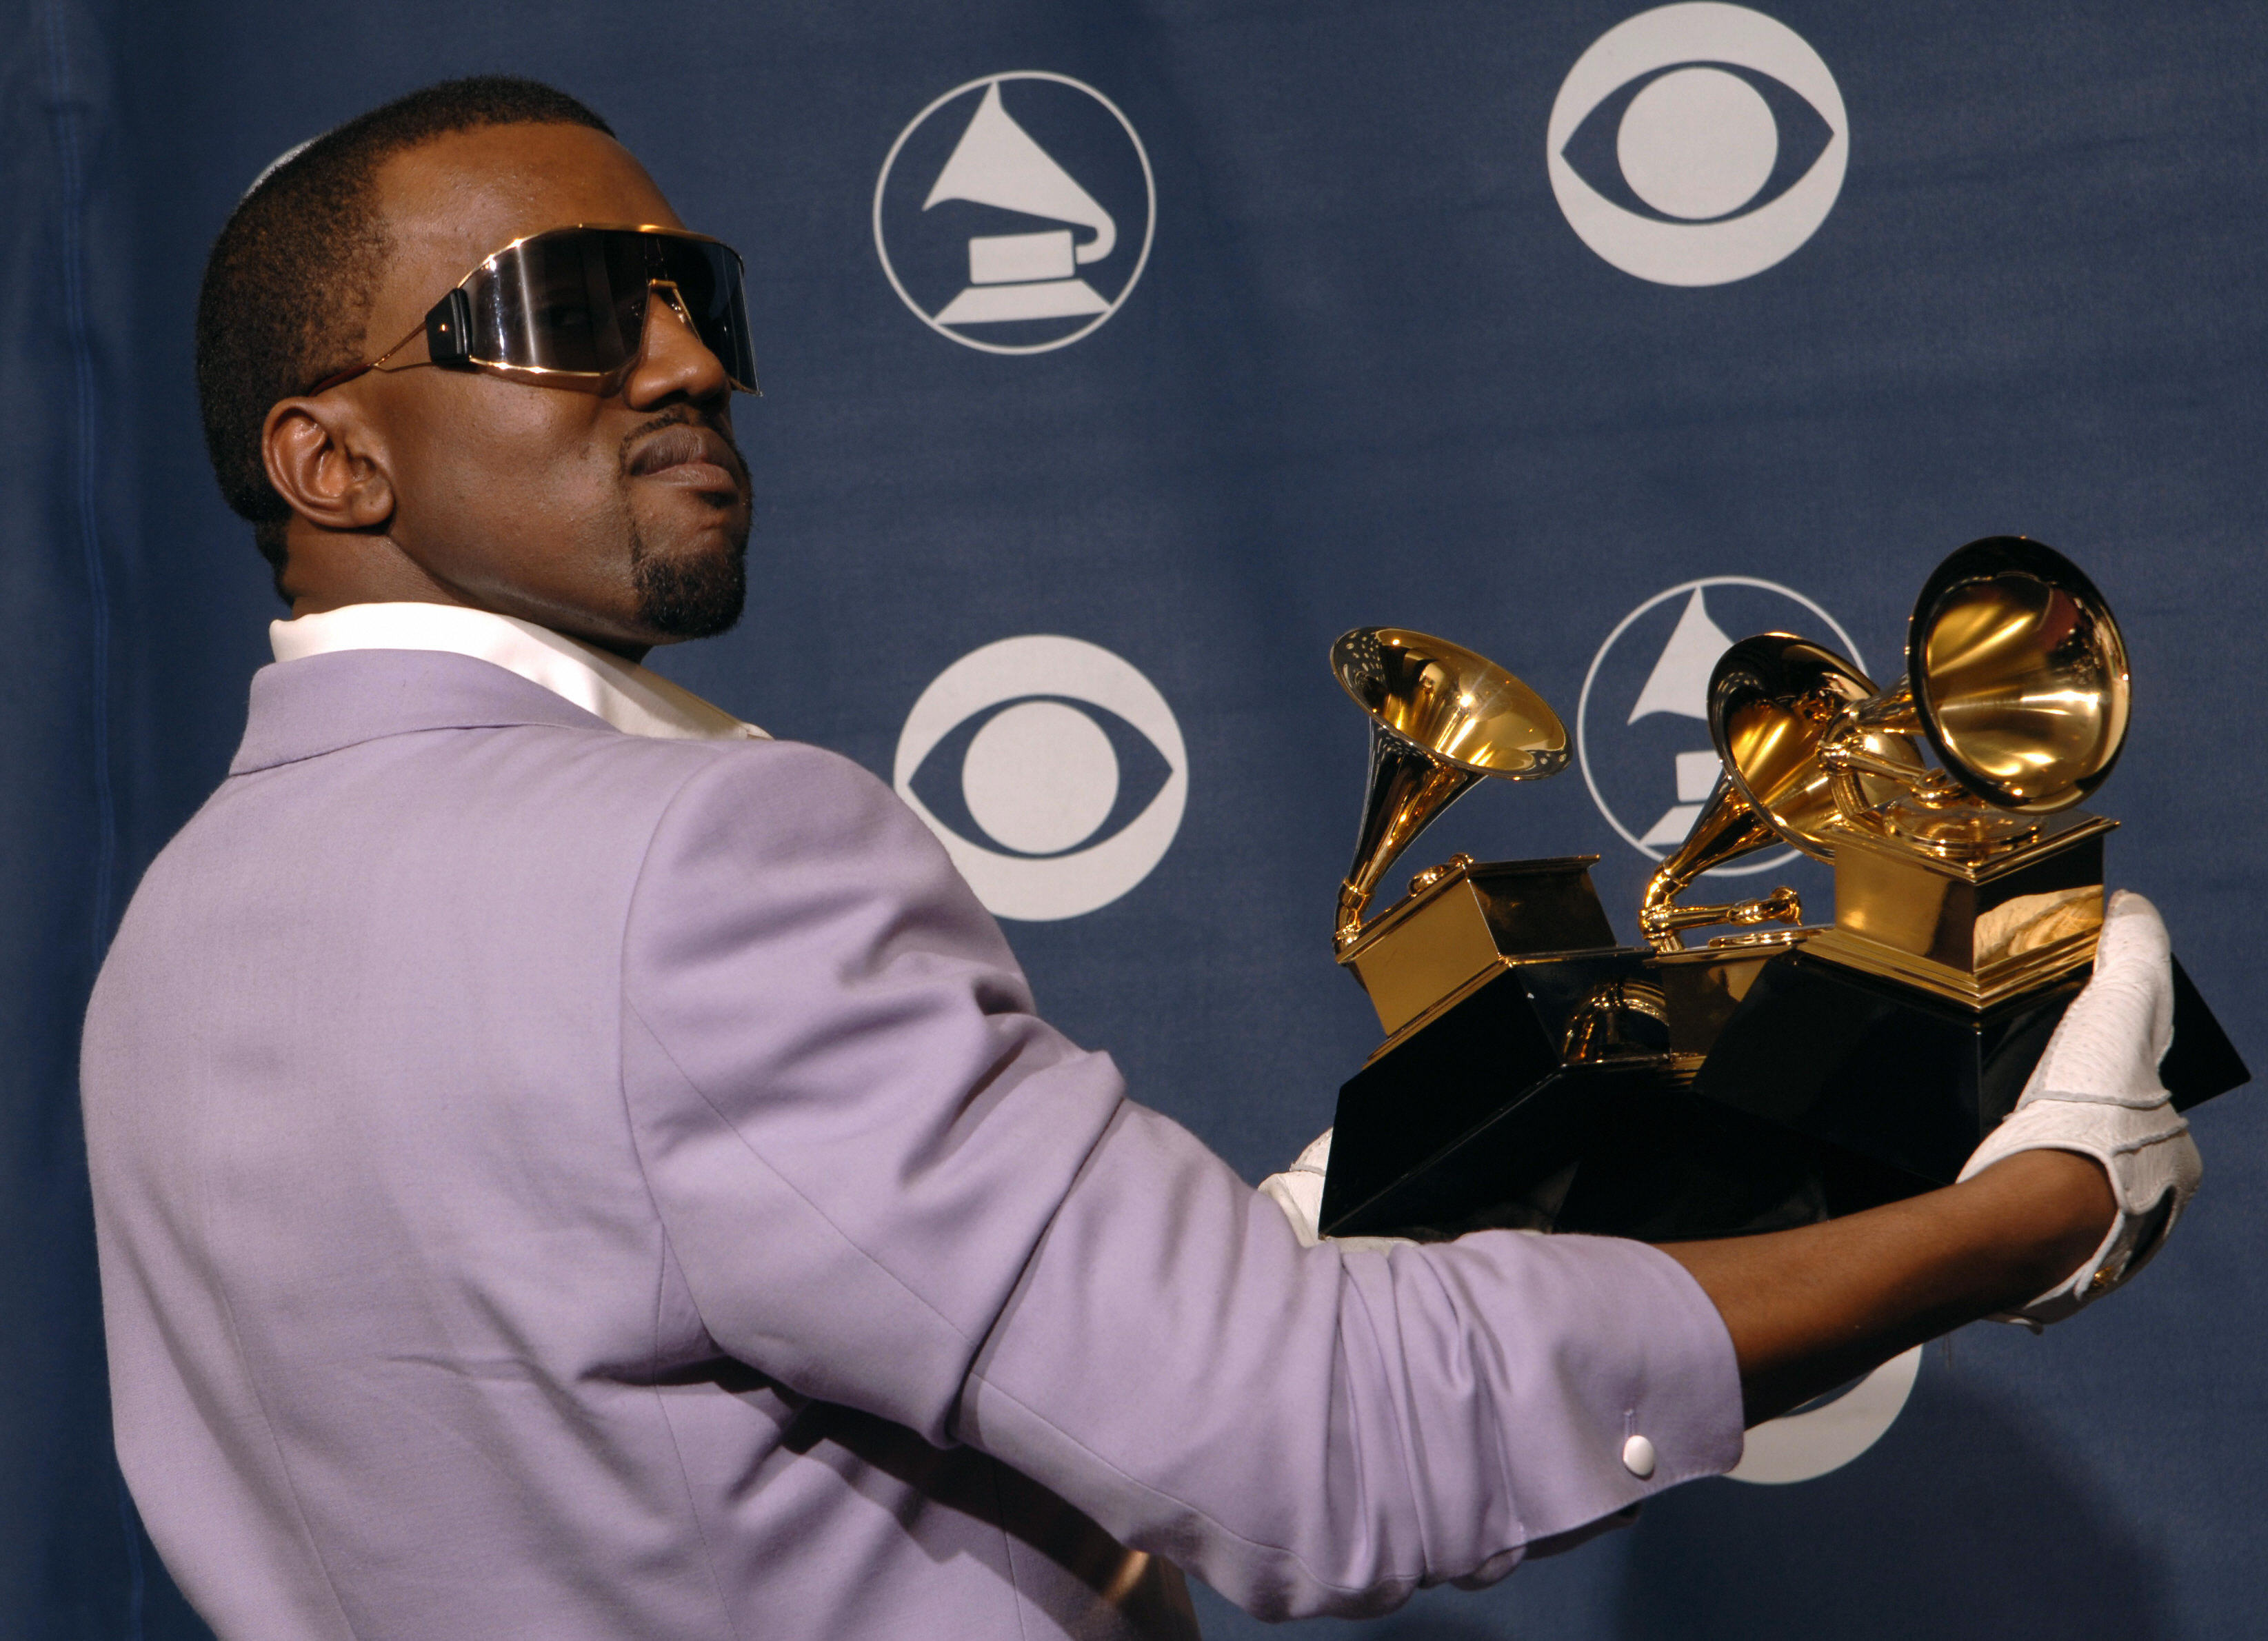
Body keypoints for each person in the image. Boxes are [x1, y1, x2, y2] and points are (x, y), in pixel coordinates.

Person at [79, 77, 2202, 1641]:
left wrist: (1206, 1262)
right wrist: (2023, 1210)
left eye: (690, 290)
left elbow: (655, 1444)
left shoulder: (163, 950)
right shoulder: (702, 855)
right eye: (568, 306)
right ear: (326, 455)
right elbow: (1304, 1447)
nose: (691, 355)